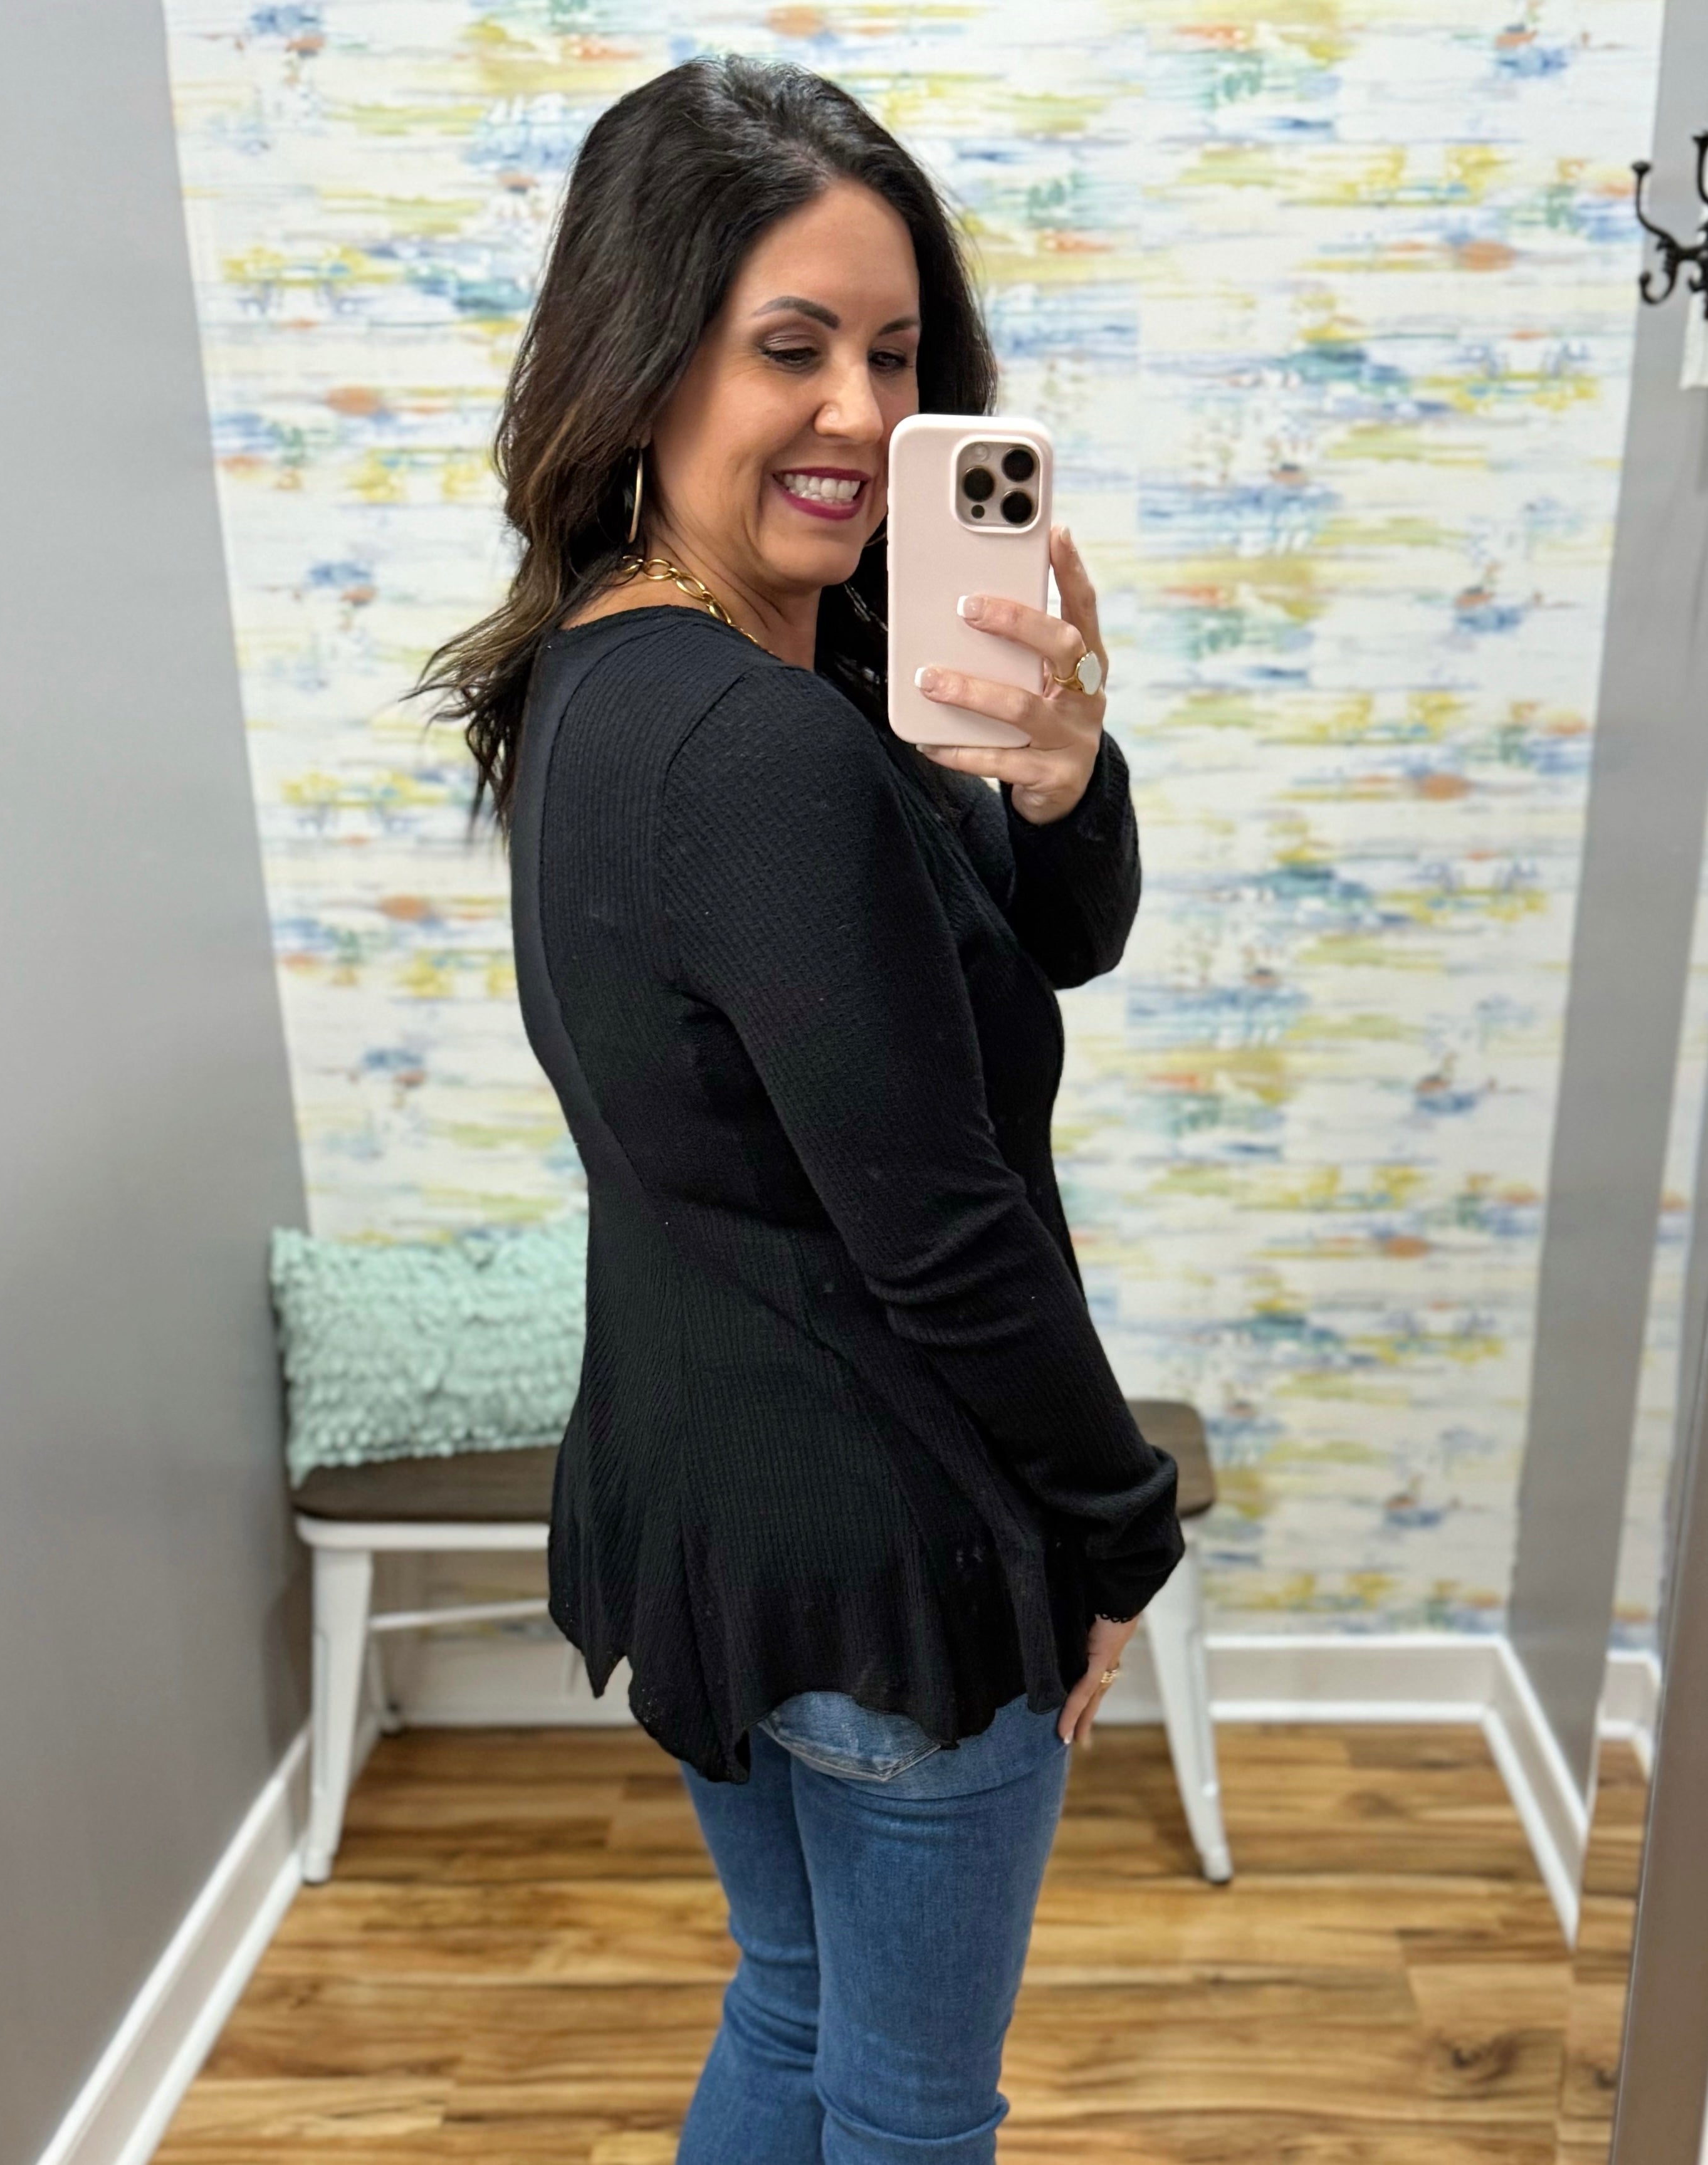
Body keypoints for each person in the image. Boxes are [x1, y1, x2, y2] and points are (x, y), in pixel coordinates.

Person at [422, 53, 1183, 2165]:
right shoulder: (760, 754)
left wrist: (1056, 767)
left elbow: (1059, 940)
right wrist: (1120, 1529)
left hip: (709, 1524)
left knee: (792, 2016)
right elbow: (937, 1227)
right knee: (912, 2108)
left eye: (895, 350)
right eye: (790, 348)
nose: (859, 409)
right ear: (640, 358)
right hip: (880, 1560)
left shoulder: (628, 670)